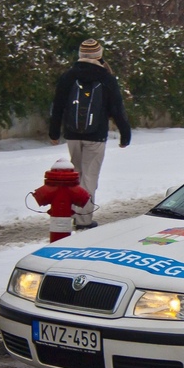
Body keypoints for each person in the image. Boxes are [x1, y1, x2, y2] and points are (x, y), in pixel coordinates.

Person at [49, 38, 131, 230]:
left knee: (75, 176)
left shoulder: (68, 76)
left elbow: (58, 105)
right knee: (89, 178)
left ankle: (70, 213)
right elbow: (117, 108)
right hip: (96, 135)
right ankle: (84, 220)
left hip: (72, 134)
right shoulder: (106, 78)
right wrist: (125, 134)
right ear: (99, 55)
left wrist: (54, 133)